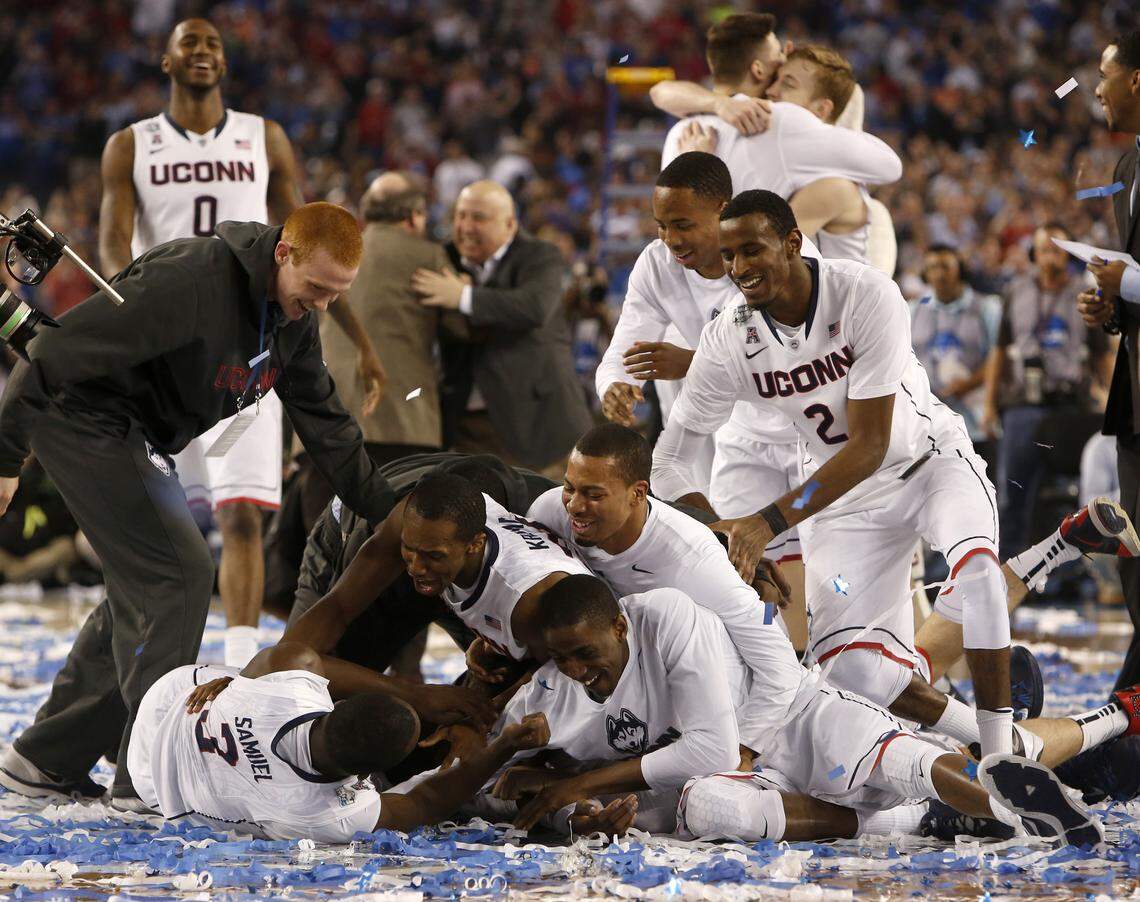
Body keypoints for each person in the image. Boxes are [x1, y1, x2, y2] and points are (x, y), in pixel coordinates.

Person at [0, 203, 409, 810]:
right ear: (283, 253)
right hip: (86, 418)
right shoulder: (191, 280)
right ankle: (143, 780)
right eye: (317, 288)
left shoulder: (291, 316)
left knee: (144, 590)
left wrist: (388, 511)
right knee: (177, 573)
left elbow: (324, 420)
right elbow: (56, 357)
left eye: (336, 294)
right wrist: (7, 459)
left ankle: (42, 761)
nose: (323, 304)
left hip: (137, 433)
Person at [650, 190, 1017, 760]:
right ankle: (981, 733)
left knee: (978, 575)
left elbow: (869, 445)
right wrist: (718, 527)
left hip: (927, 465)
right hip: (842, 504)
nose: (739, 268)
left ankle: (1001, 759)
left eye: (753, 250)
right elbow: (670, 458)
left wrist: (765, 521)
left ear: (793, 242)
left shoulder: (865, 292)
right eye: (728, 256)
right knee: (851, 676)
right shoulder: (730, 337)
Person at [96, 18, 386, 670]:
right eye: (189, 43)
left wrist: (360, 343)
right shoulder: (129, 144)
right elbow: (114, 243)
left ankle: (239, 664)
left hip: (253, 343)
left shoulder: (264, 137)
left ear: (225, 63)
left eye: (213, 44)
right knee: (161, 526)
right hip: (167, 350)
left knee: (243, 515)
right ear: (164, 60)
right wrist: (127, 320)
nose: (202, 52)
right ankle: (149, 661)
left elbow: (314, 240)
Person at [489, 575, 1112, 848]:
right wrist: (573, 808)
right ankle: (928, 823)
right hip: (746, 769)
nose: (575, 670)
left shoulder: (668, 612)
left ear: (621, 624)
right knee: (710, 810)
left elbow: (708, 746)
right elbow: (501, 785)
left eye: (584, 655)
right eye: (560, 659)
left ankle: (1042, 783)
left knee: (917, 761)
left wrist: (578, 784)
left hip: (789, 713)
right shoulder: (550, 700)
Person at [596, 153, 813, 647]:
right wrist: (614, 386)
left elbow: (796, 363)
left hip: (810, 430)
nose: (671, 240)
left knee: (834, 583)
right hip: (736, 434)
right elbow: (623, 349)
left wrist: (690, 361)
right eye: (661, 226)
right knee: (737, 572)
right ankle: (776, 687)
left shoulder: (777, 258)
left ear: (722, 209)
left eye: (683, 224)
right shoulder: (656, 265)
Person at [127, 641, 550, 841]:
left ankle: (236, 688)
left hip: (171, 698)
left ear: (334, 702)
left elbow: (304, 661)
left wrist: (240, 685)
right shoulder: (325, 815)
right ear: (366, 777)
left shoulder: (293, 677)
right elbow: (423, 804)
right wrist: (503, 749)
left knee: (258, 671)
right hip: (153, 781)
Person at [283, 453, 558, 682]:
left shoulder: (544, 537)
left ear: (477, 543)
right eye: (410, 551)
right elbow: (300, 652)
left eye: (432, 555)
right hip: (364, 536)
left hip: (486, 569)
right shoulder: (403, 529)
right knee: (312, 689)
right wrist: (417, 696)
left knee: (509, 682)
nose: (416, 567)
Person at [412, 180, 592, 479]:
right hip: (464, 427)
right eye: (461, 215)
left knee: (544, 519)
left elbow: (533, 308)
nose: (466, 226)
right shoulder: (445, 258)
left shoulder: (540, 255)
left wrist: (464, 297)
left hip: (537, 426)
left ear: (510, 224)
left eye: (479, 217)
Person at [982, 224, 1112, 557]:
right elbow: (999, 351)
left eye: (1056, 250)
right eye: (1043, 250)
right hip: (1024, 404)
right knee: (1013, 494)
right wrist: (989, 404)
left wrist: (1115, 400)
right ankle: (1009, 567)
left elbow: (1101, 355)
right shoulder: (1016, 291)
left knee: (1083, 488)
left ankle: (1074, 567)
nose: (1049, 257)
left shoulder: (1086, 293)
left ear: (1066, 256)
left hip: (1071, 406)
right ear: (1034, 255)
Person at [1077, 30, 1140, 692]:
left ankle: (1128, 713)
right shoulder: (1126, 170)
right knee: (1134, 554)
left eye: (1104, 74)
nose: (1096, 88)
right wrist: (1111, 310)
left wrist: (1131, 287)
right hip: (1136, 395)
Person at [322, 172, 460, 464]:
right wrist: (465, 292)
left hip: (327, 418)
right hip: (403, 420)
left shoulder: (331, 255)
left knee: (324, 510)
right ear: (413, 216)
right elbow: (461, 330)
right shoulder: (430, 257)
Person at [910, 245, 1002, 451]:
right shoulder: (913, 310)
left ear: (960, 269)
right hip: (929, 424)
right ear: (924, 273)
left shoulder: (987, 307)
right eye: (932, 267)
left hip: (976, 418)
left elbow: (1000, 356)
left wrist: (970, 383)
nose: (939, 274)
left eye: (945, 266)